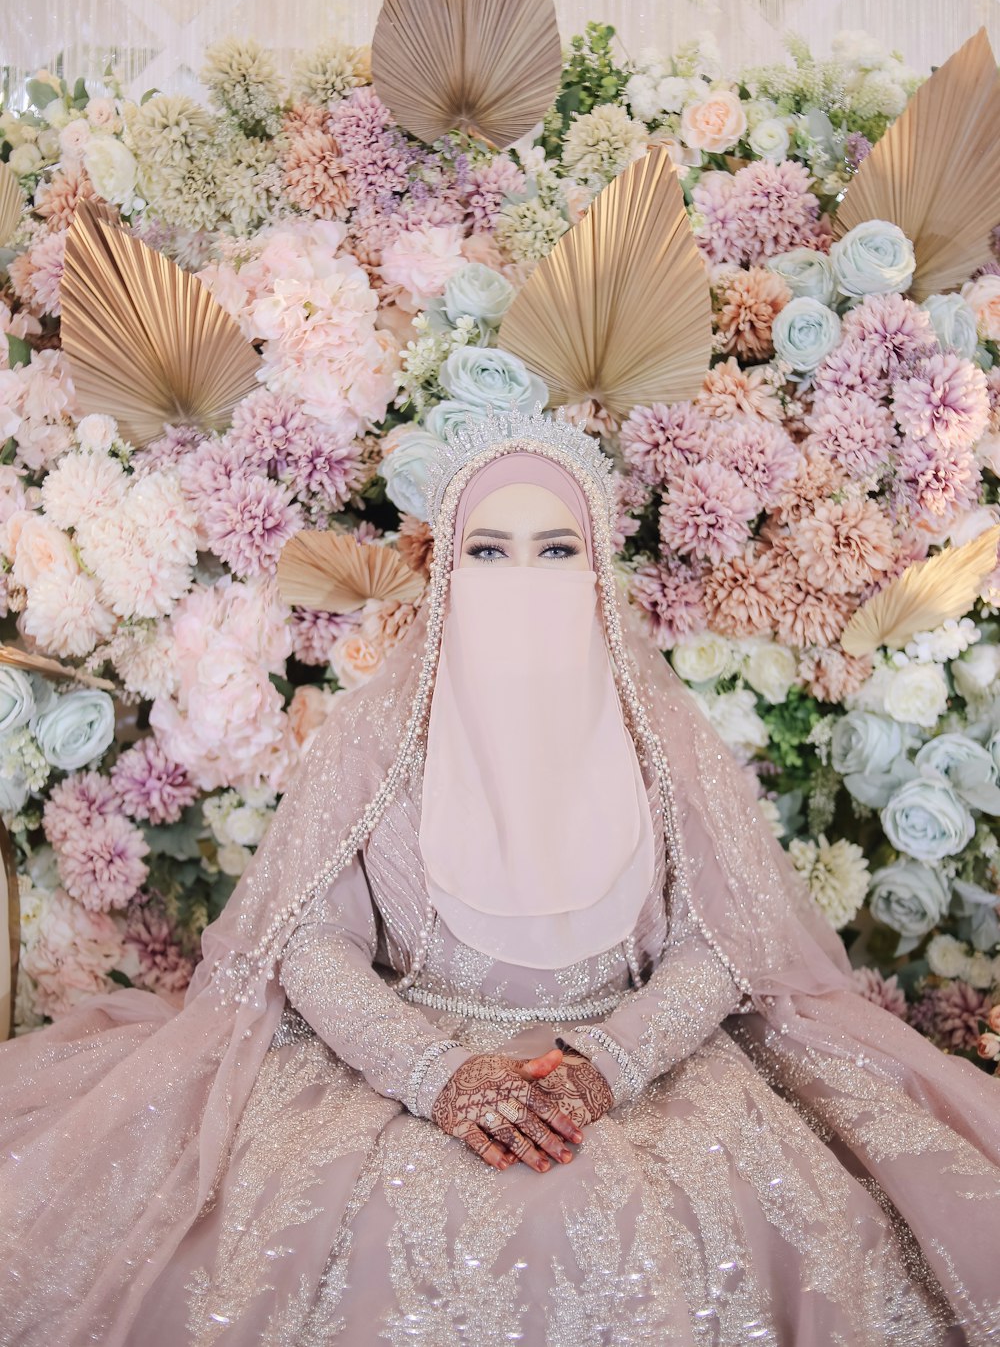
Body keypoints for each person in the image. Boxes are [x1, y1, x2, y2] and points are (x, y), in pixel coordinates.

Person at [2, 406, 1000, 1347]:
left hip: (625, 1061)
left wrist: (608, 1065)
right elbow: (309, 938)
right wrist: (433, 1074)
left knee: (709, 1217)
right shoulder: (379, 740)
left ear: (598, 570)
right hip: (409, 1054)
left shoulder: (663, 746)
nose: (522, 575)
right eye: (489, 550)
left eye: (555, 550)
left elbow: (722, 941)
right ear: (446, 573)